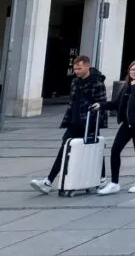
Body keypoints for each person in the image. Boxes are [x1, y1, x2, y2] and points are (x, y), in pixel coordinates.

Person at [31, 55, 108, 194]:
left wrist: (96, 122)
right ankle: (48, 181)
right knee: (64, 149)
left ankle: (102, 177)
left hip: (90, 122)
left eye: (79, 68)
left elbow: (102, 104)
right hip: (74, 121)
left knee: (95, 149)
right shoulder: (75, 82)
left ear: (87, 66)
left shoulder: (97, 83)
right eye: (75, 68)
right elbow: (72, 102)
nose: (77, 71)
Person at [95, 59, 135, 195]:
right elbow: (117, 103)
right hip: (126, 124)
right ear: (129, 71)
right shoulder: (126, 86)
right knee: (115, 149)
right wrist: (101, 105)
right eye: (133, 70)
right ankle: (114, 183)